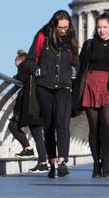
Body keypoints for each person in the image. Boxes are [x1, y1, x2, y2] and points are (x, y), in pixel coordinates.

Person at [74, 13, 109, 178]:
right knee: (94, 128)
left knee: (107, 126)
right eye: (99, 27)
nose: (102, 30)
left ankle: (106, 162)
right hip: (91, 85)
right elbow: (80, 67)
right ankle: (96, 165)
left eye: (105, 27)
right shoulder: (89, 45)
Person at [28, 10, 78, 178]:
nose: (64, 30)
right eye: (60, 28)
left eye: (66, 27)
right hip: (45, 85)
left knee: (62, 123)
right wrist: (37, 70)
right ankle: (52, 161)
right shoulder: (42, 36)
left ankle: (63, 160)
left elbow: (76, 60)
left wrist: (74, 70)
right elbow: (30, 59)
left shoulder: (71, 38)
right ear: (53, 25)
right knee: (49, 125)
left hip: (64, 85)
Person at [8, 50, 48, 172]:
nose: (18, 68)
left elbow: (21, 78)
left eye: (17, 66)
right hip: (38, 103)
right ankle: (41, 161)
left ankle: (32, 153)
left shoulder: (25, 65)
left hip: (32, 106)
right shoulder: (34, 67)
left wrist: (15, 77)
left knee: (14, 126)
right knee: (37, 134)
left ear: (20, 61)